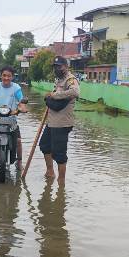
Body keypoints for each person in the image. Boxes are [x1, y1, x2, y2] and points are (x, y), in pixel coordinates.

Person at [39, 56, 79, 185]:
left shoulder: (70, 80)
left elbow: (75, 92)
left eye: (59, 66)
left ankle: (61, 180)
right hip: (51, 122)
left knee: (59, 153)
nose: (57, 68)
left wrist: (54, 95)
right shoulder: (58, 80)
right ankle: (50, 171)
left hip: (62, 123)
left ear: (66, 66)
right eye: (55, 66)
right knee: (44, 145)